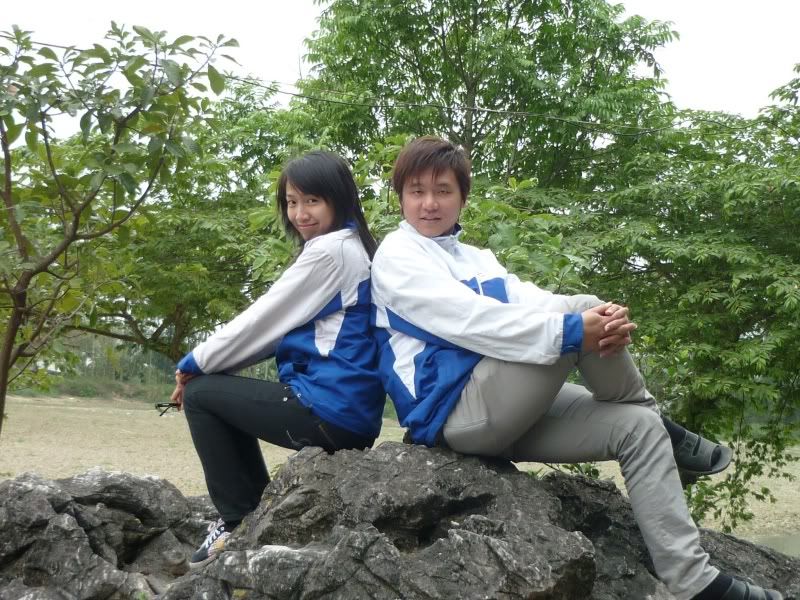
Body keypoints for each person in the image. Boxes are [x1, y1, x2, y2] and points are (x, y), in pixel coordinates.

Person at [370, 136, 782, 600]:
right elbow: (473, 322)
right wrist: (575, 329)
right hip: (454, 412)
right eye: (417, 191)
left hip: (508, 405)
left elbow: (535, 300)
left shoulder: (477, 258)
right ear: (400, 197)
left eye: (443, 190)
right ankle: (660, 418)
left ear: (463, 197)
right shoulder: (397, 256)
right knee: (576, 320)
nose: (429, 203)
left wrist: (603, 318)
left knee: (637, 426)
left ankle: (693, 581)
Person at [170, 151, 385, 568]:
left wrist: (192, 364)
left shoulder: (331, 252)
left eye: (312, 201)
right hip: (349, 416)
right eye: (291, 202)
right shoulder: (353, 246)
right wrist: (207, 365)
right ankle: (248, 511)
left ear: (339, 199)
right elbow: (275, 333)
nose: (300, 214)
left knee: (200, 396)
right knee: (214, 390)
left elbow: (261, 320)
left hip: (327, 410)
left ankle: (236, 519)